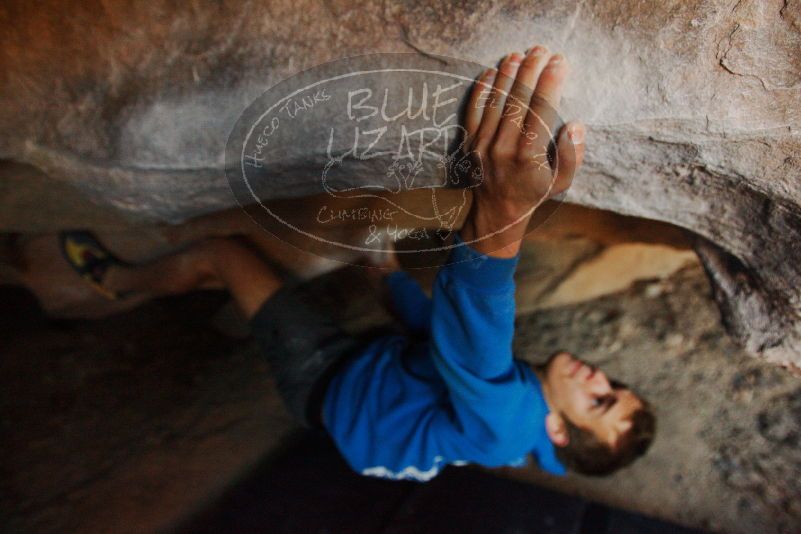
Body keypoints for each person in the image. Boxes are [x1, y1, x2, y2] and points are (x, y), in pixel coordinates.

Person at [59, 45, 655, 480]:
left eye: (599, 402)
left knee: (222, 255)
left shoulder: (511, 422)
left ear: (558, 431)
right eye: (616, 386)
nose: (599, 378)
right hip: (368, 378)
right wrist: (390, 275)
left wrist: (501, 221)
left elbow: (476, 342)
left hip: (324, 378)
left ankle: (116, 281)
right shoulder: (519, 407)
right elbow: (444, 348)